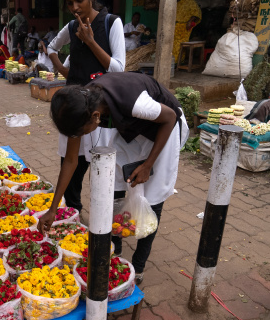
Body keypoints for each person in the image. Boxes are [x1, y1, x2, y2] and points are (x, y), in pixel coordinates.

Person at [38, 72, 189, 284]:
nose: (80, 137)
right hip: (133, 130)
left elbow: (170, 118)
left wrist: (147, 165)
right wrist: (53, 209)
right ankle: (114, 245)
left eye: (81, 133)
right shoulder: (83, 104)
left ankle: (139, 265)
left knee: (151, 199)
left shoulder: (134, 104)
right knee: (117, 181)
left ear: (95, 117)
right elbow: (70, 161)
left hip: (165, 130)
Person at [47, 0, 125, 213]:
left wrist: (90, 41)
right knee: (72, 166)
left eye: (79, 0)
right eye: (69, 3)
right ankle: (73, 216)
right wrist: (65, 72)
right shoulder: (71, 27)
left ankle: (113, 231)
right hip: (75, 109)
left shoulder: (111, 23)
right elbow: (52, 47)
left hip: (102, 110)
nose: (74, 8)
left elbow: (118, 69)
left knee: (109, 173)